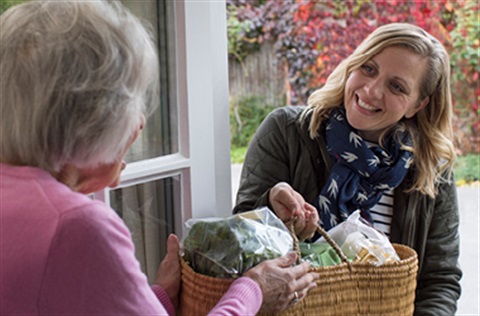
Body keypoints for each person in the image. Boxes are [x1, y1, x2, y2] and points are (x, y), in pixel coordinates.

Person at [0, 1, 319, 315]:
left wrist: (159, 297)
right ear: (94, 117)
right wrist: (253, 292)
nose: (140, 121)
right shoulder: (78, 227)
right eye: (134, 97)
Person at [233, 23, 462, 315]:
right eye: (368, 68)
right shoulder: (286, 132)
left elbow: (439, 281)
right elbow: (238, 242)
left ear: (417, 105)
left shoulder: (432, 170)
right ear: (353, 65)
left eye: (396, 86)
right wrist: (269, 206)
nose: (371, 90)